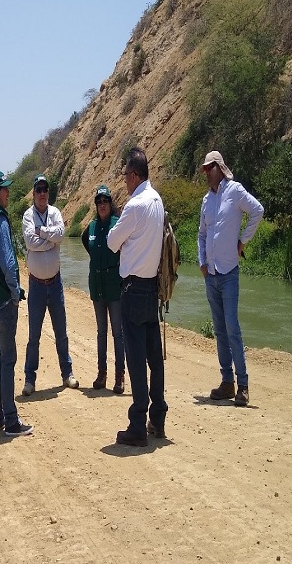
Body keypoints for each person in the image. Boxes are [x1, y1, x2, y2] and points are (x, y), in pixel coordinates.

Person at [107, 147, 167, 446]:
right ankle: (158, 418)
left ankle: (137, 425)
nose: (124, 181)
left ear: (133, 174)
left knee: (136, 359)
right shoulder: (157, 201)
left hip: (132, 289)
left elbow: (111, 241)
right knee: (154, 358)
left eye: (125, 176)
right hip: (152, 287)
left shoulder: (135, 205)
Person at [198, 151, 264, 407]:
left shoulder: (235, 191)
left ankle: (243, 385)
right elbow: (202, 234)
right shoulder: (206, 200)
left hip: (228, 273)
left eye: (208, 168)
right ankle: (227, 383)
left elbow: (257, 210)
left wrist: (243, 241)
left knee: (232, 328)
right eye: (204, 169)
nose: (205, 173)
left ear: (219, 168)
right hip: (211, 274)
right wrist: (202, 262)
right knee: (219, 330)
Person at [0, 170, 33, 437]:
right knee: (7, 359)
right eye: (4, 190)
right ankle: (11, 421)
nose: (8, 193)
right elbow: (8, 261)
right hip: (3, 301)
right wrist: (15, 293)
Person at [21, 174, 78, 395]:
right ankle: (29, 379)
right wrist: (49, 240)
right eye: (38, 190)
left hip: (55, 285)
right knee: (33, 336)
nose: (42, 193)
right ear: (33, 193)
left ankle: (67, 374)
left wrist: (42, 233)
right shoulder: (28, 215)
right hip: (36, 286)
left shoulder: (55, 213)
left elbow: (61, 235)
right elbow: (29, 242)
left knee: (61, 333)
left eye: (45, 189)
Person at [81, 185, 126, 393]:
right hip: (96, 285)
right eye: (98, 202)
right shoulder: (90, 227)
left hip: (114, 285)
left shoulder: (118, 225)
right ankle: (102, 374)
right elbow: (86, 243)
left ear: (111, 203)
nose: (102, 205)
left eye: (105, 201)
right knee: (101, 332)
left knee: (118, 332)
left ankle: (119, 376)